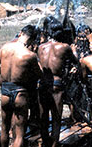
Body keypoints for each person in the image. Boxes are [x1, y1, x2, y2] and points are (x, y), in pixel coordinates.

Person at [0, 25, 42, 147]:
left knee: (4, 128)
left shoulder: (5, 47)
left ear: (20, 33)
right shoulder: (30, 55)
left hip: (5, 92)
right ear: (33, 40)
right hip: (20, 93)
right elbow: (39, 74)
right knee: (19, 133)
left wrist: (3, 71)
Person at [37, 18, 79, 147]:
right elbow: (75, 61)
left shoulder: (41, 47)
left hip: (43, 84)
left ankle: (45, 142)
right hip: (56, 85)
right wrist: (75, 51)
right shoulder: (64, 47)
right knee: (56, 117)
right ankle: (55, 144)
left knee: (43, 116)